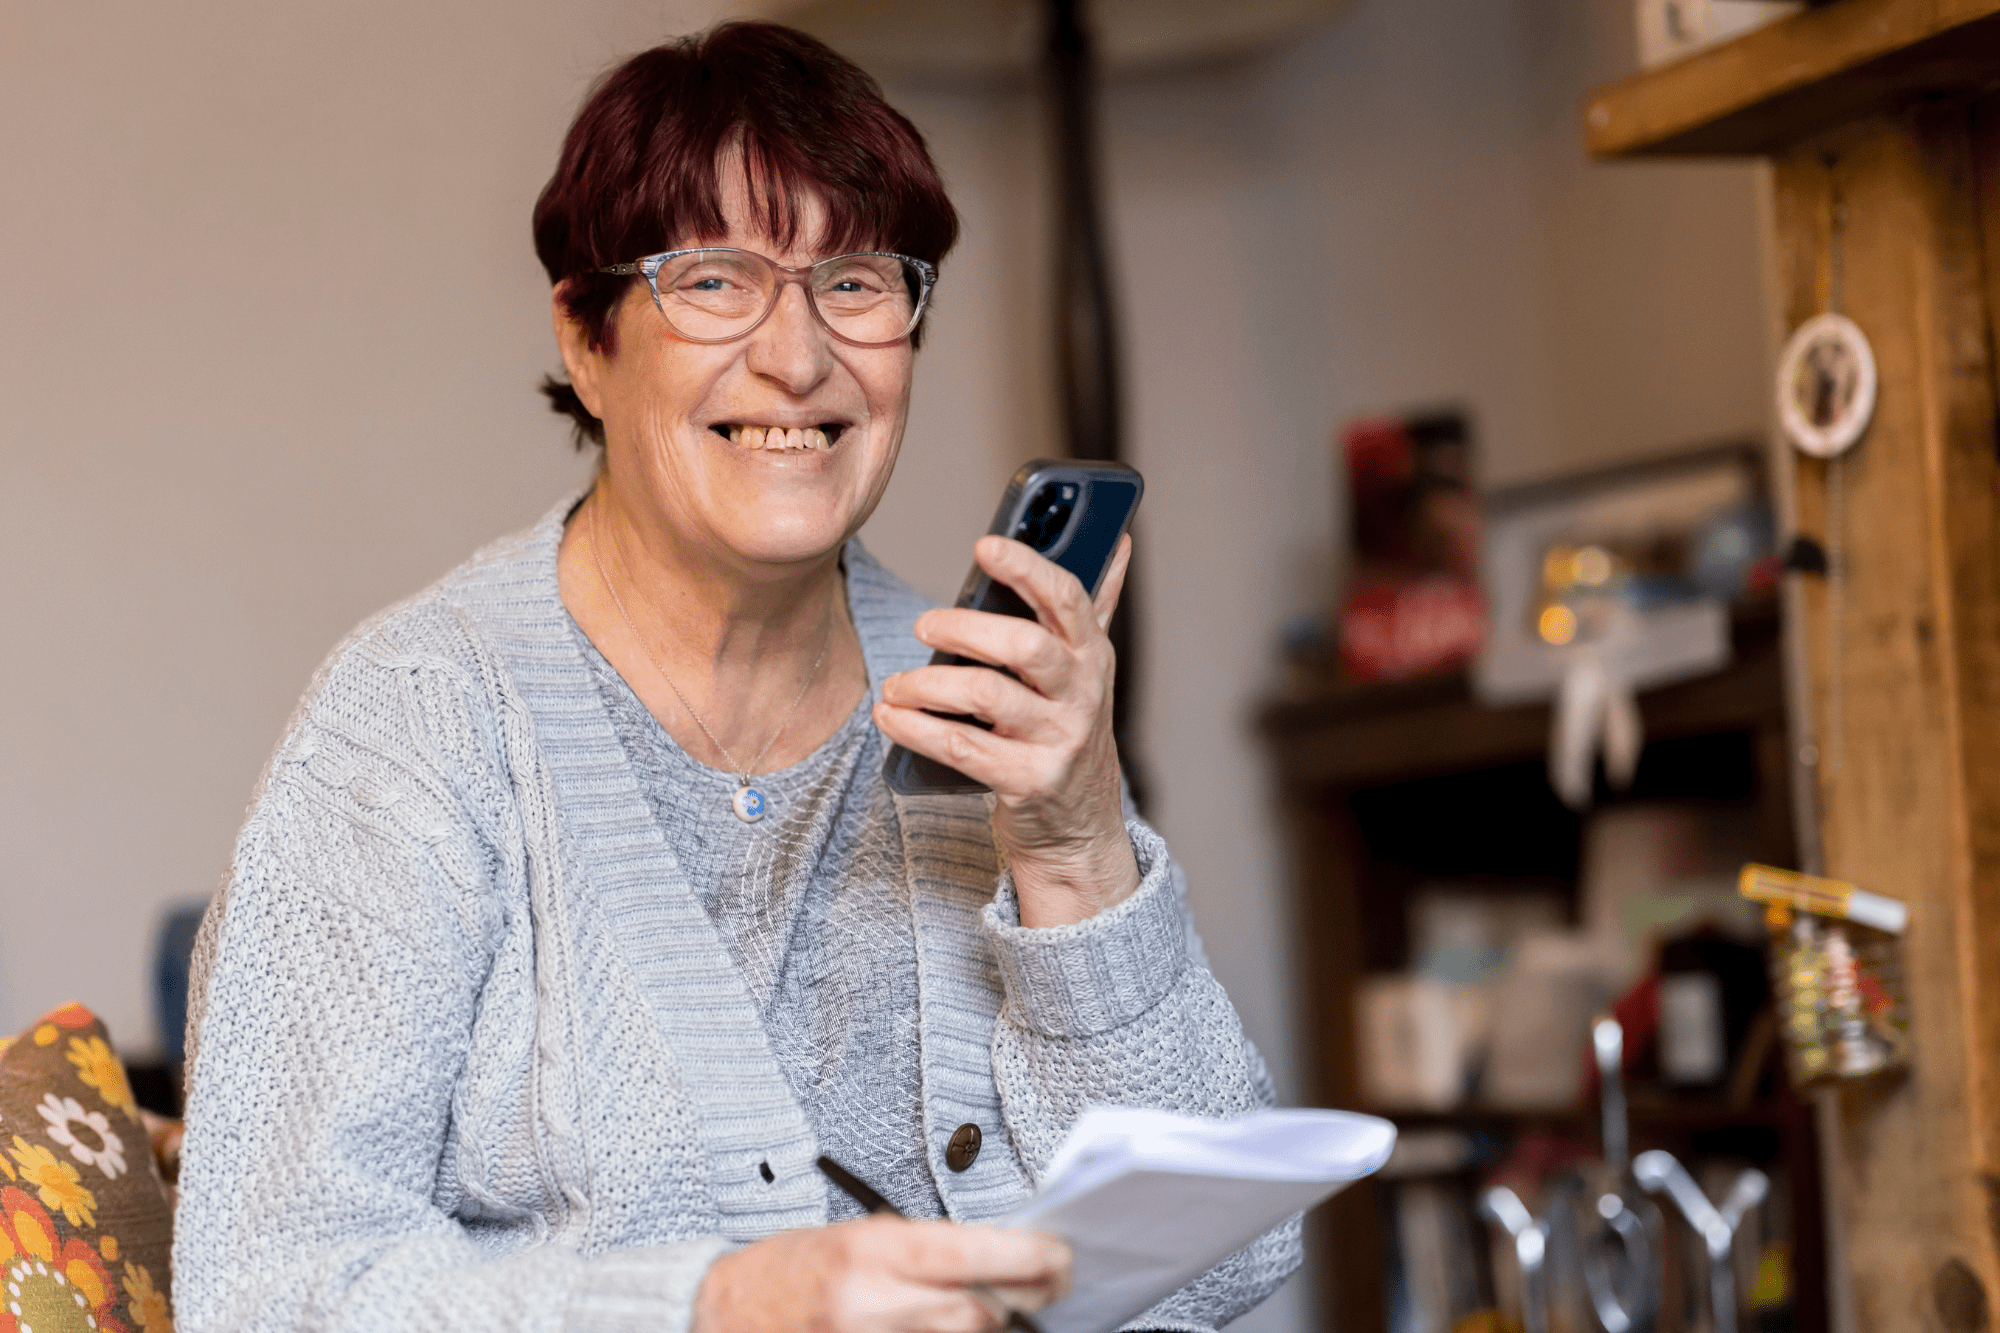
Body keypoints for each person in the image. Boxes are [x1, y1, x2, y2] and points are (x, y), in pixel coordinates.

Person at [175, 21, 1297, 1333]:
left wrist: (1075, 854)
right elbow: (268, 1293)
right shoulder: (415, 725)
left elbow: (1225, 1269)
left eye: (859, 282)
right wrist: (716, 1309)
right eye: (714, 281)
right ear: (587, 339)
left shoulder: (991, 707)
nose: (799, 356)